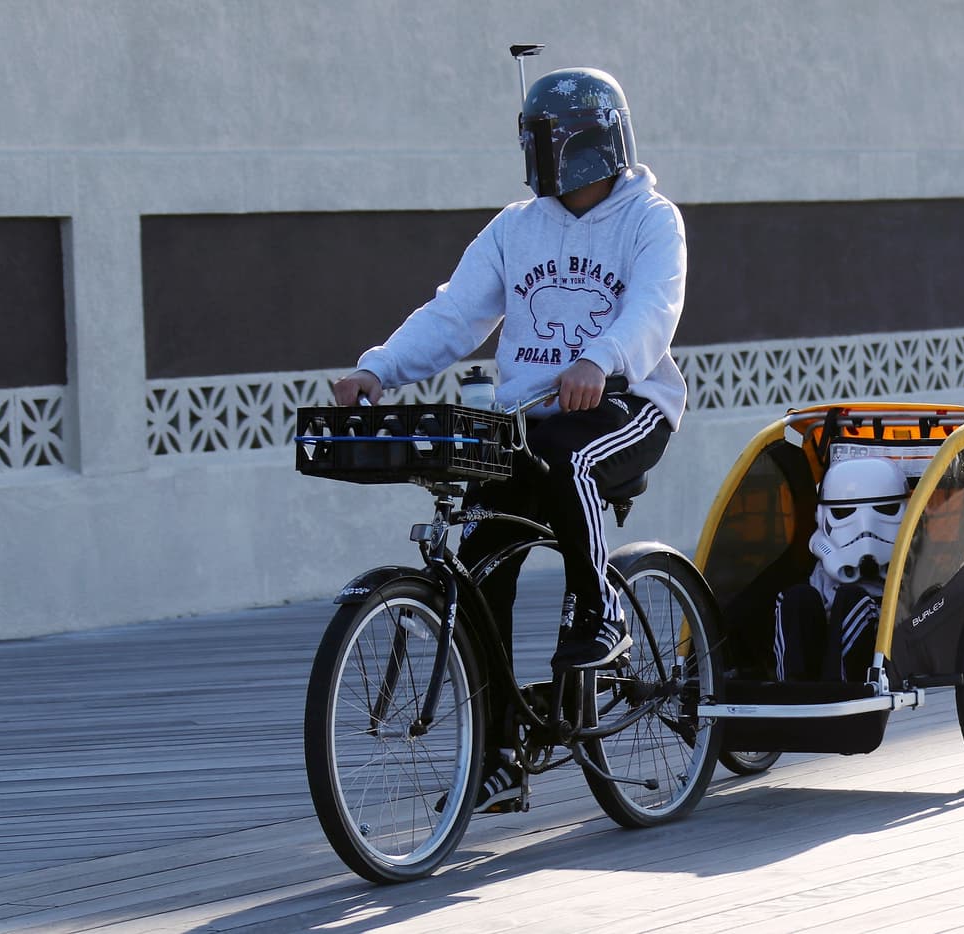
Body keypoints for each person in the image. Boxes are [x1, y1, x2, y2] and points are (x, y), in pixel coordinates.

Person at [333, 66, 687, 812]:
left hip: (630, 403)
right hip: (534, 416)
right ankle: (499, 755)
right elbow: (455, 313)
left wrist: (599, 359)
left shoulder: (651, 219)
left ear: (593, 141)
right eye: (534, 139)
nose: (540, 154)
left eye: (550, 139)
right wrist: (378, 371)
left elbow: (655, 308)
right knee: (480, 560)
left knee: (569, 456)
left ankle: (603, 612)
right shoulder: (515, 227)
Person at [773, 457, 909, 682]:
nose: (865, 528)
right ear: (822, 516)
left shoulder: (917, 564)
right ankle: (792, 689)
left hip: (876, 658)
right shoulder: (820, 575)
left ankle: (837, 687)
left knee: (851, 598)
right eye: (845, 513)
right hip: (822, 640)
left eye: (885, 510)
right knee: (796, 598)